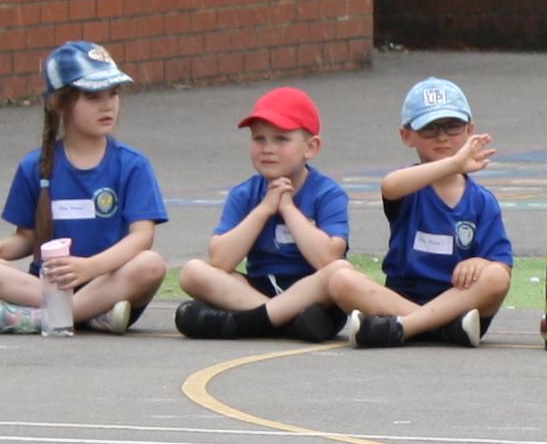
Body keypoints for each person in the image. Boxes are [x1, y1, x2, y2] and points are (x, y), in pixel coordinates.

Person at [0, 42, 168, 334]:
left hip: (108, 283)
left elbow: (142, 237)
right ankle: (91, 315)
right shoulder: (34, 165)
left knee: (151, 264)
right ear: (59, 103)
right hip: (50, 286)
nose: (108, 105)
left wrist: (90, 267)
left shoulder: (132, 164)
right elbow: (26, 239)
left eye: (113, 93)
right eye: (92, 96)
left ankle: (42, 318)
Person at [304, 78, 512, 347]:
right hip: (403, 300)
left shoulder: (482, 201)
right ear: (406, 135)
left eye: (452, 126)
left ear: (470, 130)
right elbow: (390, 185)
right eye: (429, 128)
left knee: (496, 277)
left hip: (461, 303)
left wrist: (481, 263)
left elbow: (502, 265)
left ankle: (404, 327)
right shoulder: (408, 185)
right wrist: (454, 163)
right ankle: (442, 328)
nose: (442, 137)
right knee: (340, 281)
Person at [172, 87, 353, 342]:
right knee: (192, 272)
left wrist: (288, 209)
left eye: (281, 139)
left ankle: (244, 323)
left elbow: (327, 259)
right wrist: (264, 209)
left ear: (311, 147)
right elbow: (221, 260)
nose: (268, 148)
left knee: (340, 271)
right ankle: (284, 321)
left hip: (312, 294)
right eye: (259, 139)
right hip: (259, 290)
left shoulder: (328, 193)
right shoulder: (244, 194)